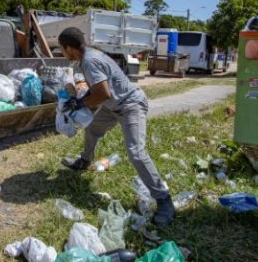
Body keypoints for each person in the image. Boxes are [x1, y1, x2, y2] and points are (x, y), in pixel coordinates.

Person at [58, 27, 175, 226]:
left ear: (69, 48)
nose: (62, 53)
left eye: (62, 49)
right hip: (114, 106)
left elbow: (103, 94)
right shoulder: (89, 56)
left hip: (131, 105)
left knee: (136, 152)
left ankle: (164, 200)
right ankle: (84, 161)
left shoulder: (89, 61)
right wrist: (82, 98)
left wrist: (80, 103)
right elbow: (100, 90)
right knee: (92, 128)